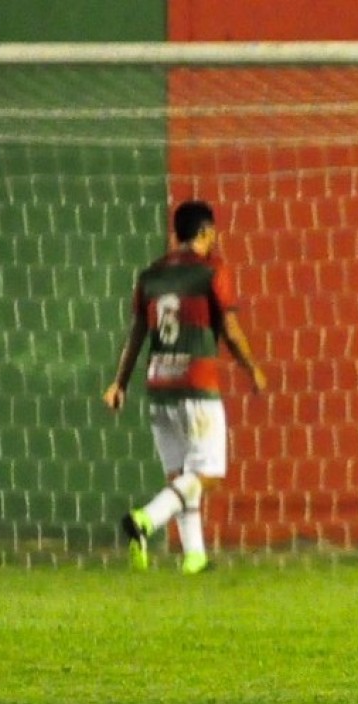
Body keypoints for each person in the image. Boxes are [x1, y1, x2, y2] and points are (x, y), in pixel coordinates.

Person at [103, 200, 268, 574]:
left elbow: (137, 333)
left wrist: (119, 383)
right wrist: (253, 369)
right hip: (197, 386)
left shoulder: (150, 276)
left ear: (177, 234)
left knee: (181, 477)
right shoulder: (212, 270)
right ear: (207, 232)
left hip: (159, 388)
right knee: (207, 475)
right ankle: (145, 519)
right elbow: (230, 330)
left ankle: (195, 556)